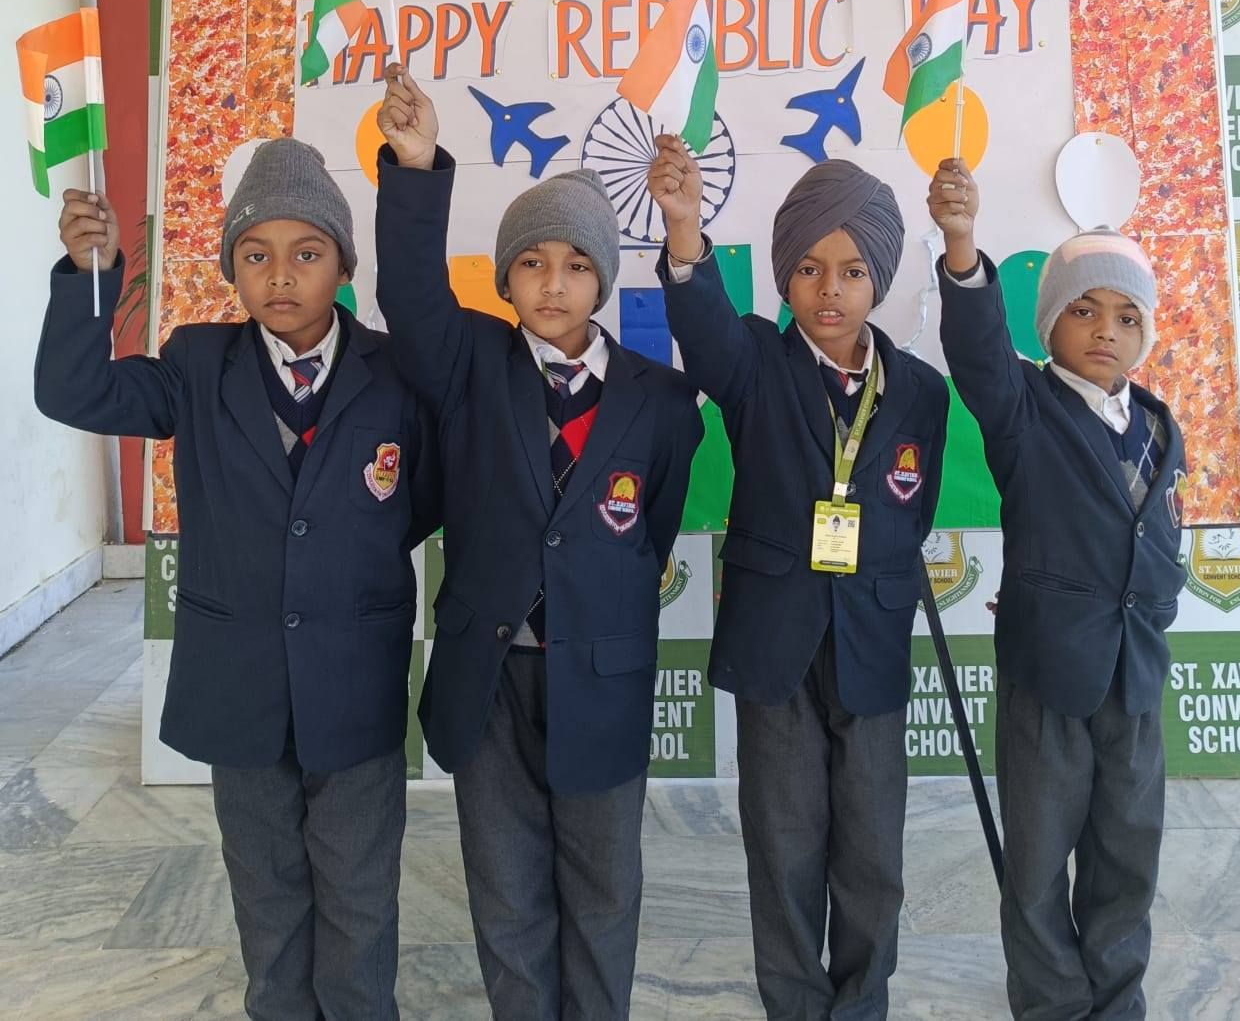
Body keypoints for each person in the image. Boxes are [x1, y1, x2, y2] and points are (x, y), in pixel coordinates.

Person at [34, 138, 442, 1021]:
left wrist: (339, 567)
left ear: (343, 264)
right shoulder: (195, 364)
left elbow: (421, 499)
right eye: (255, 255)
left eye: (307, 253)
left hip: (355, 684)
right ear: (231, 268)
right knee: (266, 889)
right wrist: (89, 276)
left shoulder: (394, 374)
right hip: (240, 684)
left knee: (360, 893)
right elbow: (74, 392)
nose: (280, 275)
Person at [373, 68, 703, 1020]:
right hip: (491, 678)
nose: (552, 283)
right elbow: (411, 294)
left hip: (602, 673)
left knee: (603, 889)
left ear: (602, 278)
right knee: (507, 889)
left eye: (574, 264)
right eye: (530, 262)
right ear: (505, 278)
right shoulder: (469, 361)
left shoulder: (660, 400)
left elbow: (649, 531)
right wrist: (415, 164)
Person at [649, 133, 948, 1020]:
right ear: (785, 277)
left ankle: (861, 1002)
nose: (829, 289)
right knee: (783, 846)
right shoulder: (755, 365)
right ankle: (794, 1003)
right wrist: (684, 227)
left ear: (878, 280)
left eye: (851, 271)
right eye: (810, 269)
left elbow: (912, 512)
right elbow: (703, 325)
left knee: (873, 850)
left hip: (872, 642)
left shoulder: (922, 393)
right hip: (776, 645)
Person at [929, 156, 1187, 1021]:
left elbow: (1155, 536)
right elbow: (977, 352)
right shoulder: (1025, 410)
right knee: (1038, 863)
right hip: (1049, 679)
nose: (1105, 329)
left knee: (1128, 856)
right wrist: (962, 244)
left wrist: (1157, 606)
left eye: (1125, 315)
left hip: (1134, 681)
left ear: (1144, 332)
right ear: (1050, 324)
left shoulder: (1157, 427)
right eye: (1084, 309)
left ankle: (1115, 1001)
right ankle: (1053, 1005)